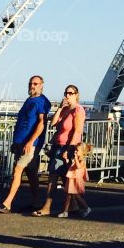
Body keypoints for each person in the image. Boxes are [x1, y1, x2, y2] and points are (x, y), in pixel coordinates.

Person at [0, 75, 52, 213]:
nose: (32, 86)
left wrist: (31, 141)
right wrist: (16, 142)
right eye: (31, 83)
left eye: (36, 84)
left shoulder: (42, 102)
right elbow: (22, 122)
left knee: (17, 170)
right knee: (31, 173)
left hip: (31, 144)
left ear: (42, 85)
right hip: (20, 141)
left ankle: (7, 203)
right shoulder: (28, 100)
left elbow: (41, 123)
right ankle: (37, 202)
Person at [33, 85, 86, 216]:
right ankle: (74, 205)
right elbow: (54, 123)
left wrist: (69, 149)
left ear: (76, 95)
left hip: (66, 147)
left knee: (53, 175)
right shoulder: (67, 109)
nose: (67, 95)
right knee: (65, 177)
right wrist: (61, 107)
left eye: (70, 93)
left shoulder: (78, 110)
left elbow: (78, 131)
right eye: (66, 93)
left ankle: (47, 206)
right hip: (57, 144)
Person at [60, 142, 91, 219]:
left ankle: (86, 207)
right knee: (68, 195)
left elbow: (78, 167)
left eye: (77, 150)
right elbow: (70, 167)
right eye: (75, 150)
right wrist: (67, 160)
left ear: (83, 152)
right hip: (72, 179)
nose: (75, 152)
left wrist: (76, 159)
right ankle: (65, 211)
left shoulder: (82, 161)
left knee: (77, 196)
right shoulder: (75, 160)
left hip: (76, 180)